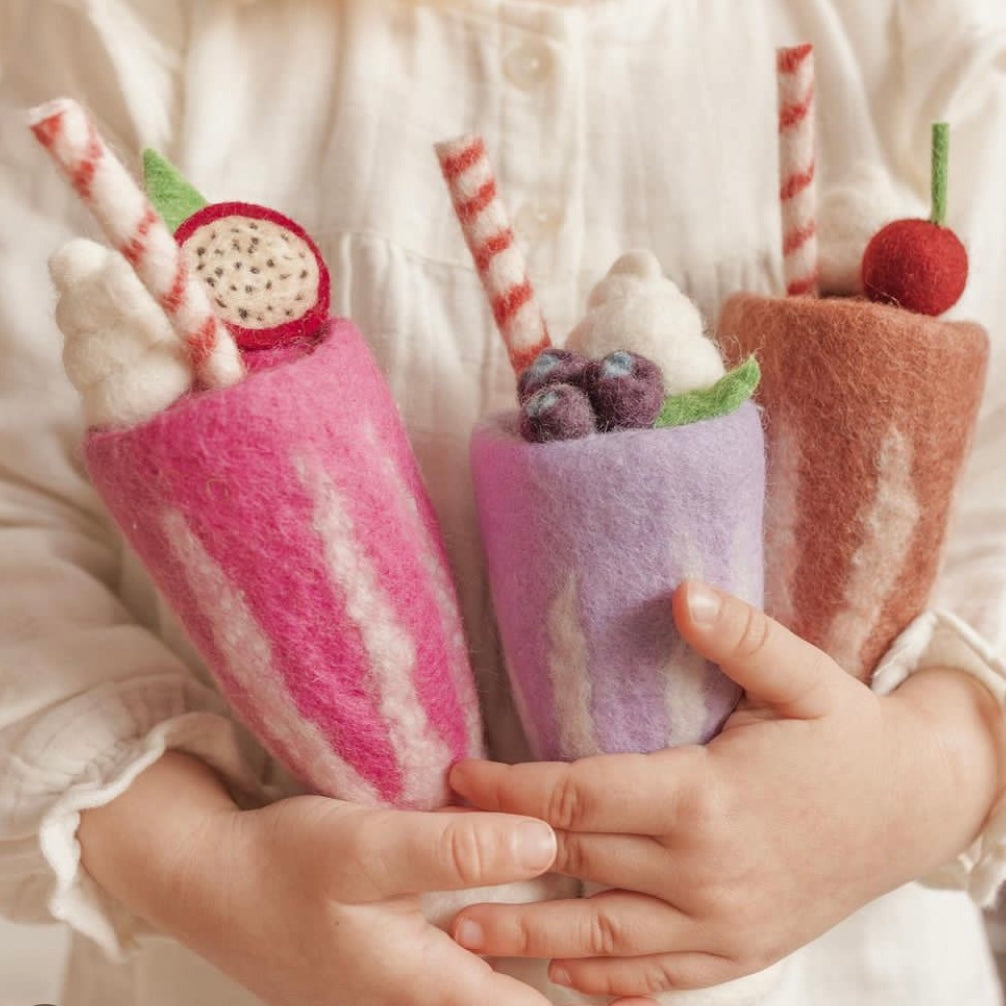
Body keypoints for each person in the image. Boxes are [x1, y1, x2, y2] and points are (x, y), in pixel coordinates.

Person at [1, 1, 1005, 1004]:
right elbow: (19, 521)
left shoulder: (920, 37)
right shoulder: (129, 32)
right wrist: (197, 864)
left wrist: (921, 781)